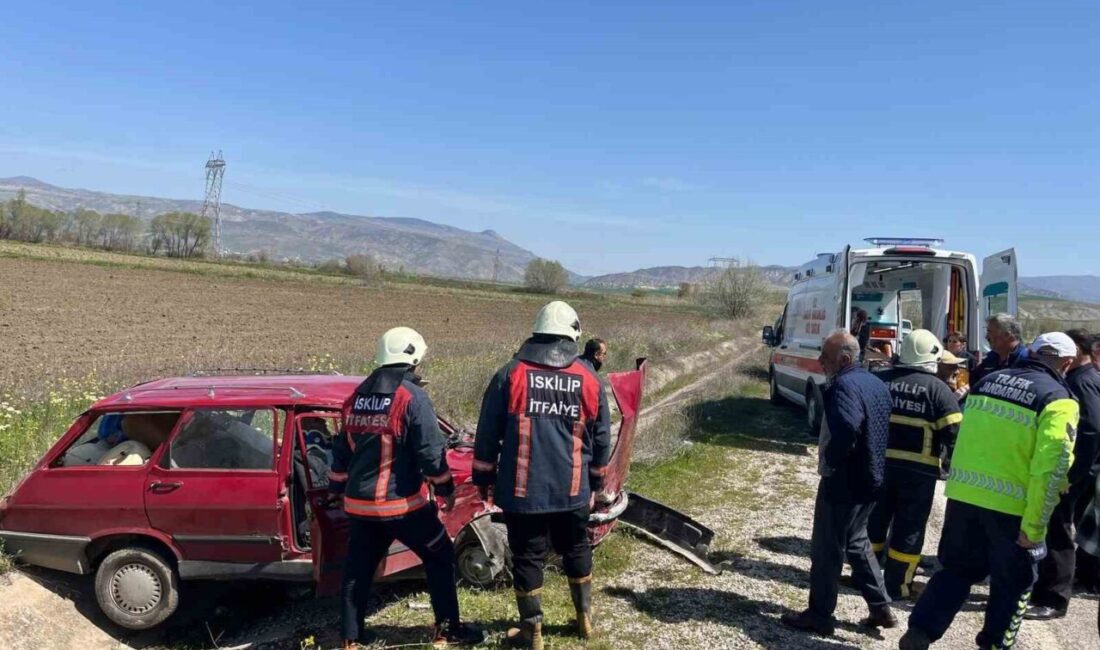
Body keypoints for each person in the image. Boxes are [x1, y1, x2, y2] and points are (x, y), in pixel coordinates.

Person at [900, 332, 1081, 650]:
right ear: (1066, 363)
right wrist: (1035, 528)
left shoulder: (989, 381)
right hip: (1013, 509)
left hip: (965, 497)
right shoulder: (1059, 400)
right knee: (1014, 585)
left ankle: (920, 632)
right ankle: (995, 644)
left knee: (955, 571)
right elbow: (1051, 469)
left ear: (1033, 352)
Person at [330, 327, 483, 649]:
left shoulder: (355, 397)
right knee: (440, 556)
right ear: (412, 359)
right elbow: (430, 452)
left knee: (357, 569)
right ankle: (447, 630)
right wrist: (445, 489)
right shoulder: (410, 397)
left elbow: (341, 451)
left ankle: (350, 638)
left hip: (358, 506)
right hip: (401, 505)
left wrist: (335, 488)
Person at [473, 301, 611, 650]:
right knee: (577, 546)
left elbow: (487, 434)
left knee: (528, 556)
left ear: (536, 332)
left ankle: (532, 632)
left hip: (523, 492)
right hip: (573, 489)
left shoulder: (511, 374)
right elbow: (601, 437)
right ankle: (584, 619)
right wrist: (595, 484)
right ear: (572, 336)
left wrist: (483, 480)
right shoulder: (589, 379)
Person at [781, 330, 895, 636]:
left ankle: (819, 616)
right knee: (857, 541)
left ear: (844, 359)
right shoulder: (875, 382)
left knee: (827, 549)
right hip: (872, 478)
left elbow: (847, 428)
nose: (820, 361)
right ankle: (880, 606)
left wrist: (831, 459)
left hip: (844, 481)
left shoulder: (843, 385)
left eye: (825, 357)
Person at [867, 330, 962, 601]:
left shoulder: (878, 380)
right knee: (909, 529)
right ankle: (898, 586)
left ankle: (864, 577)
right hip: (918, 474)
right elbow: (955, 434)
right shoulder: (938, 390)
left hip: (878, 467)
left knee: (873, 521)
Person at [1027, 329, 1100, 619]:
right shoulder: (1080, 378)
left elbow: (1092, 429)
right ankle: (1048, 587)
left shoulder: (1083, 382)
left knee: (1058, 530)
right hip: (1077, 470)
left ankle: (1054, 599)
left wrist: (1074, 473)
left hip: (1075, 473)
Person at [970, 314, 1027, 385]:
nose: (986, 337)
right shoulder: (989, 360)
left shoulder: (1028, 361)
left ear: (1007, 335)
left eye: (989, 332)